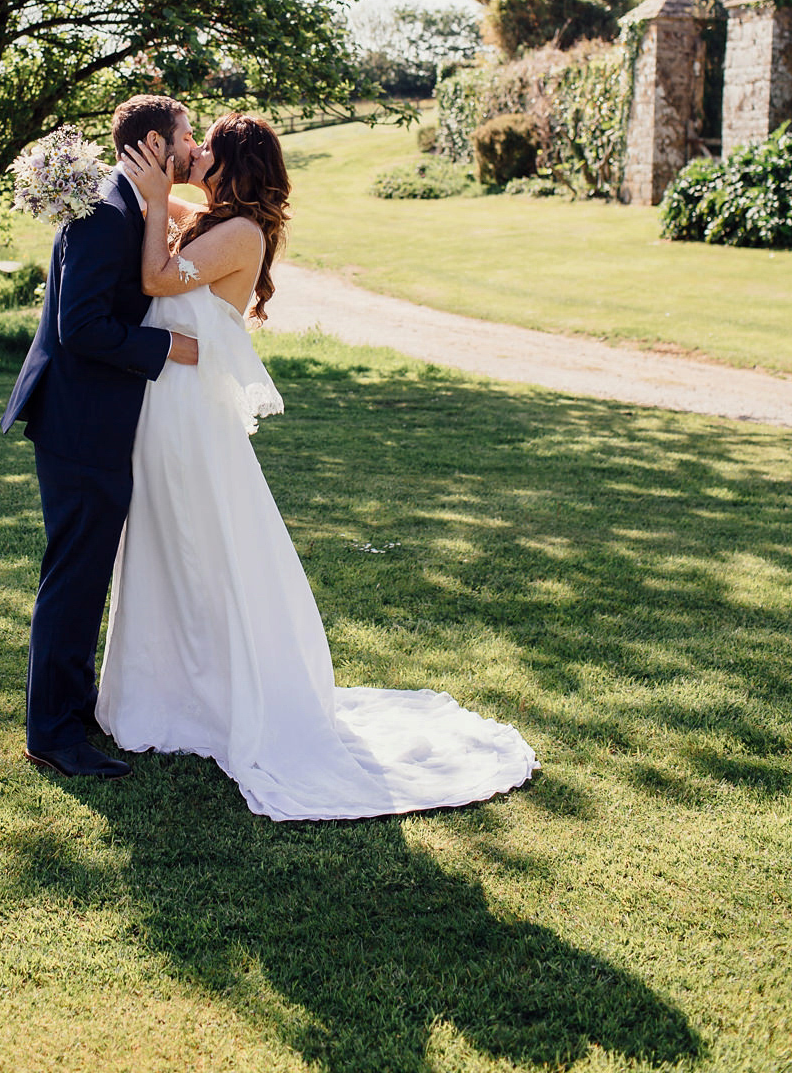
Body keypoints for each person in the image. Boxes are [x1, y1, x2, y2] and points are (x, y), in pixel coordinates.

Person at [95, 113, 540, 821]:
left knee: (199, 542)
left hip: (186, 411)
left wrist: (154, 200)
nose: (196, 152)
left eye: (209, 146)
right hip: (167, 400)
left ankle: (212, 697)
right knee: (167, 540)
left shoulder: (239, 234)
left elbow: (153, 274)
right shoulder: (216, 217)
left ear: (235, 164)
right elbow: (144, 196)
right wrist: (128, 180)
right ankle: (171, 687)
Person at [0, 95, 202, 779]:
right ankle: (53, 736)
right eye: (186, 135)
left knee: (85, 575)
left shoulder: (126, 205)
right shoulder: (107, 214)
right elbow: (79, 327)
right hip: (78, 422)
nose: (192, 143)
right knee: (74, 577)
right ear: (155, 143)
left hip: (92, 420)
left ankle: (70, 708)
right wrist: (163, 345)